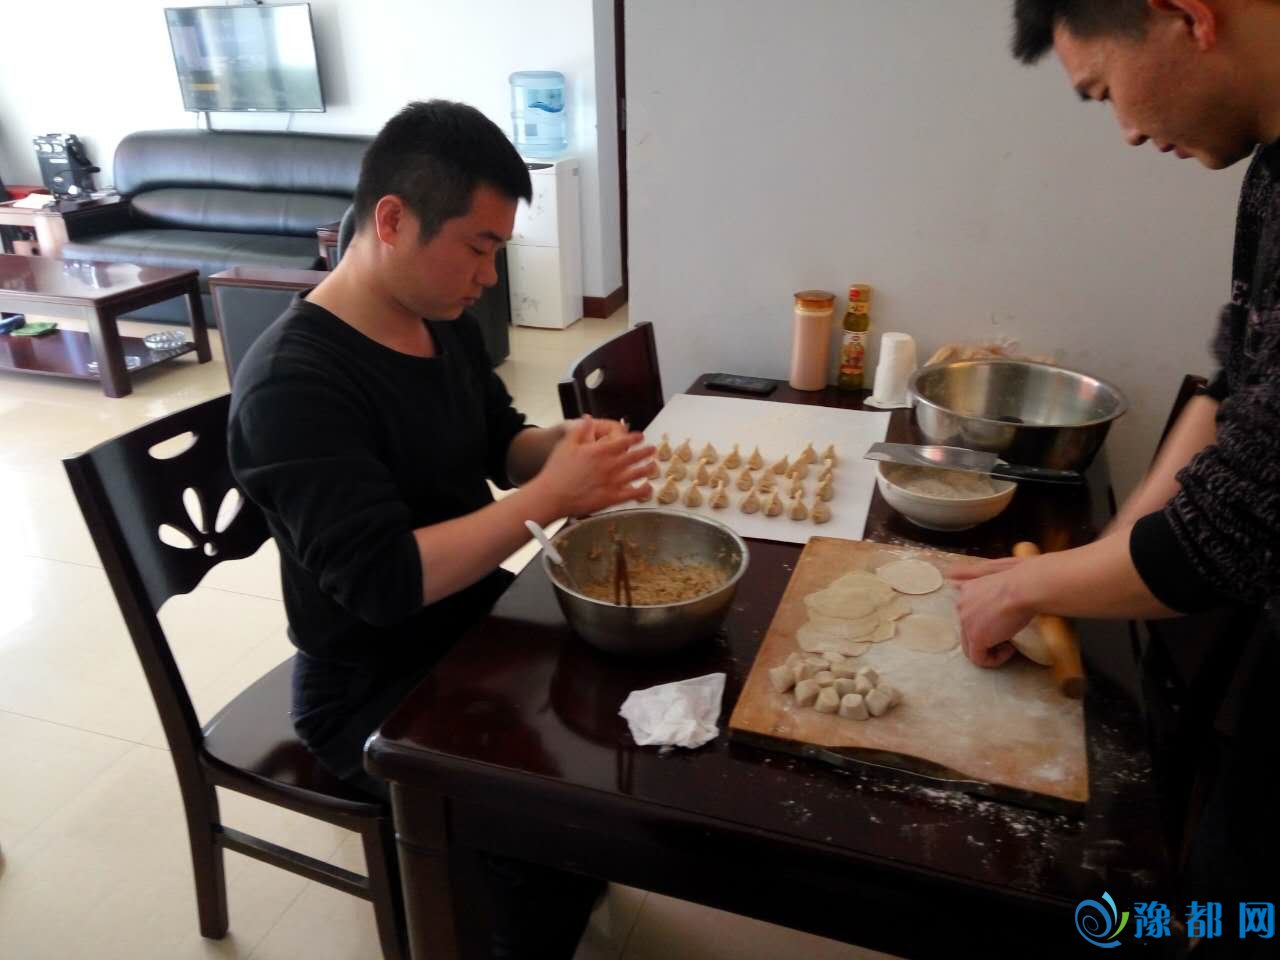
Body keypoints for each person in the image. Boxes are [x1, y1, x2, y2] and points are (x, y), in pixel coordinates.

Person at [228, 99, 654, 957]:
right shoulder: (293, 384)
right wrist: (547, 497)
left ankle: (563, 879)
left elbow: (500, 442)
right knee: (547, 800)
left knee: (619, 701)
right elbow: (384, 582)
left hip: (469, 623)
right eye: (479, 247)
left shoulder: (438, 322)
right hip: (370, 681)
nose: (488, 276)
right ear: (392, 220)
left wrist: (559, 447)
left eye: (498, 252)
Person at [951, 0, 1280, 932]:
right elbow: (1233, 390)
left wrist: (1028, 587)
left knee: (1236, 916)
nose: (1128, 130)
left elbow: (1240, 526)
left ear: (1187, 16)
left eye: (1103, 92)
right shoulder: (1271, 173)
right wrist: (1111, 551)